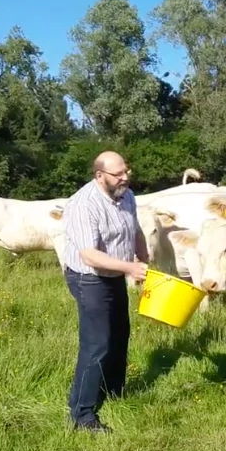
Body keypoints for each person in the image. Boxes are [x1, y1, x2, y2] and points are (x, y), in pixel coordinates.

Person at [61, 150, 150, 433]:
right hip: (88, 278)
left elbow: (135, 230)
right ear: (100, 176)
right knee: (97, 344)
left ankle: (113, 391)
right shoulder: (83, 204)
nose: (125, 177)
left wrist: (143, 257)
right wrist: (130, 268)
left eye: (127, 171)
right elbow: (89, 255)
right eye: (118, 174)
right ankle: (82, 414)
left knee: (120, 334)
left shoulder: (127, 196)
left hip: (114, 274)